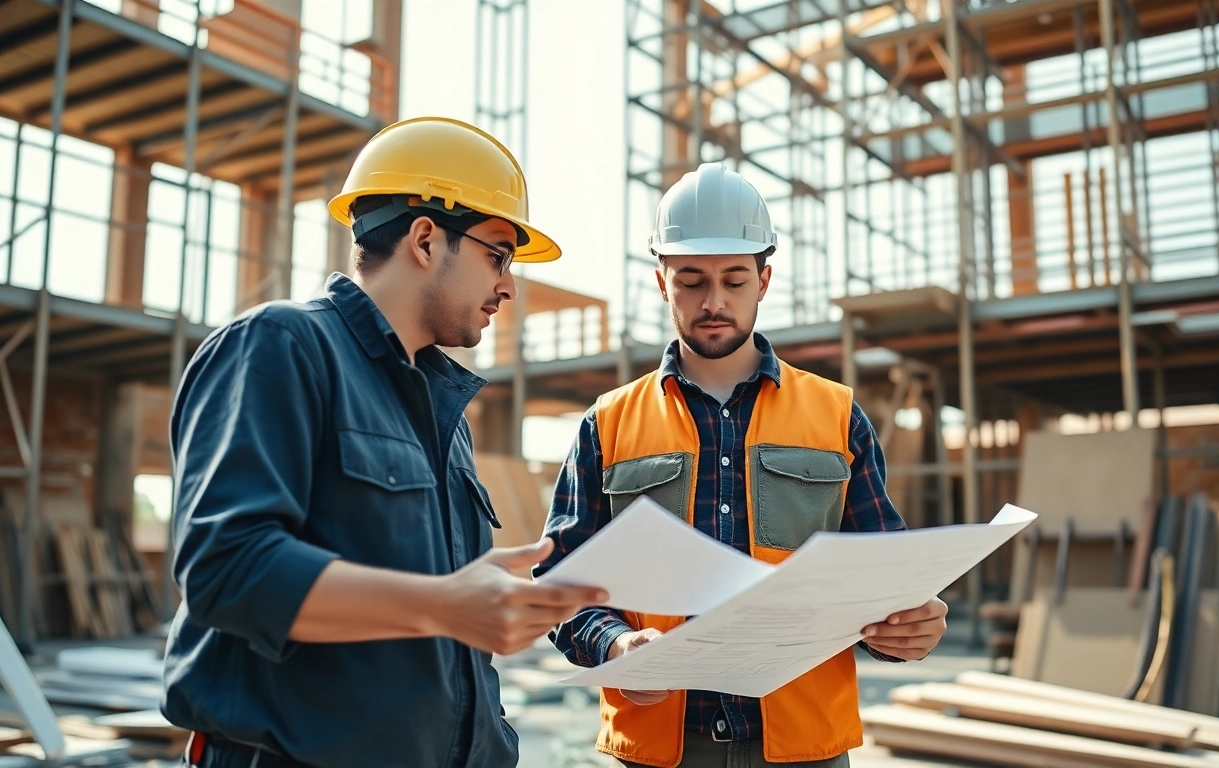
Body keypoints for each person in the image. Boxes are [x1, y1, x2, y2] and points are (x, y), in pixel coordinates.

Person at [160, 116, 607, 768]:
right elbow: (228, 571)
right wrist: (445, 605)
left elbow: (441, 657)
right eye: (498, 255)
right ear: (426, 239)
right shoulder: (283, 346)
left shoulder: (439, 413)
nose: (508, 286)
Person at [534, 162, 950, 768]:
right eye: (692, 281)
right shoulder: (607, 424)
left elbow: (883, 580)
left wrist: (909, 628)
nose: (714, 301)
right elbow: (560, 582)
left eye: (734, 280)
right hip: (658, 751)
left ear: (764, 279)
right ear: (661, 283)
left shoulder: (837, 416)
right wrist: (618, 645)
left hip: (804, 749)